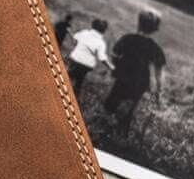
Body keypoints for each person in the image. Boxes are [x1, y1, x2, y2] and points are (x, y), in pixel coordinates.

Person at [104, 9, 166, 137]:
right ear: (155, 29)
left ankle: (105, 127)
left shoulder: (127, 38)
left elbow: (114, 54)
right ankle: (121, 132)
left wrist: (117, 66)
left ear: (139, 23)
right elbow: (159, 73)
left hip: (123, 76)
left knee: (112, 102)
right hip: (140, 81)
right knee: (129, 107)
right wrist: (159, 91)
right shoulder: (154, 47)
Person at [66, 18, 114, 97]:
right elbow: (102, 58)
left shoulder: (84, 33)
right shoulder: (101, 43)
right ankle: (74, 95)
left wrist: (70, 32)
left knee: (68, 76)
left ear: (92, 26)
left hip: (75, 59)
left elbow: (74, 41)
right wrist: (110, 66)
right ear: (104, 31)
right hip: (86, 65)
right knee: (79, 80)